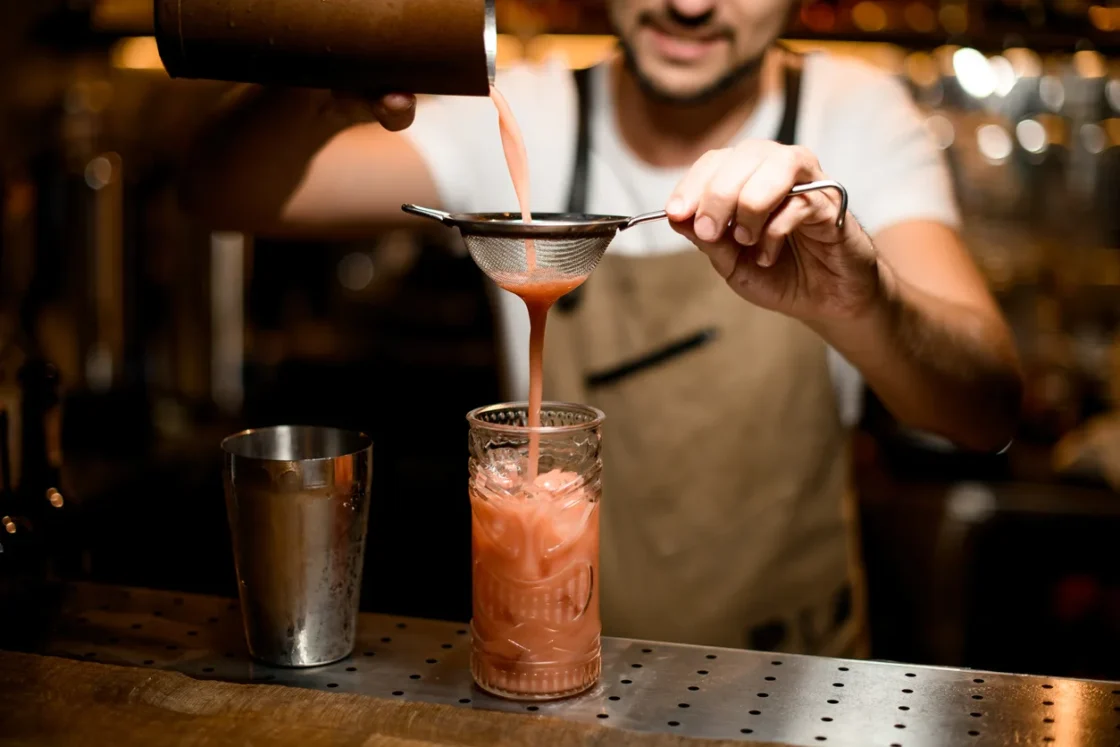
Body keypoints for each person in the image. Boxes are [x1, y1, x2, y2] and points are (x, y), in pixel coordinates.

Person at [182, 0, 1023, 657]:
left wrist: (859, 298)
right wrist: (334, 59)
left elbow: (985, 409)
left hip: (788, 679)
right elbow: (222, 192)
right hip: (561, 670)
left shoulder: (853, 117)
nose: (689, 9)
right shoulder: (526, 108)